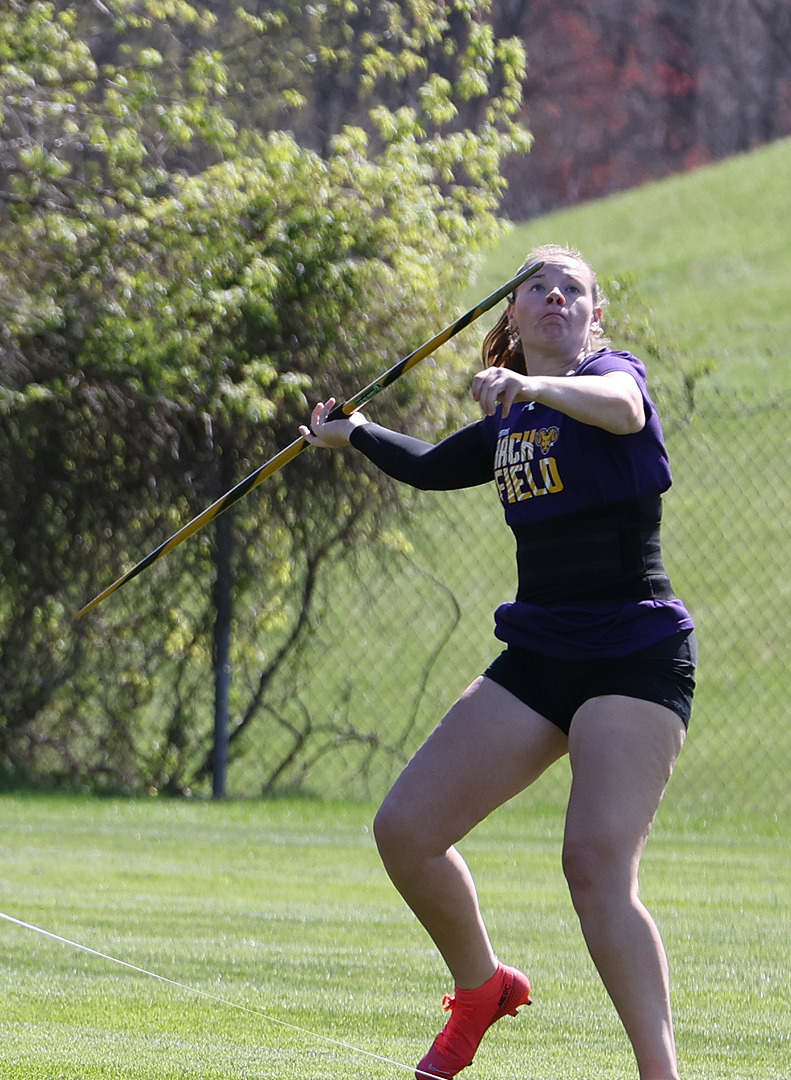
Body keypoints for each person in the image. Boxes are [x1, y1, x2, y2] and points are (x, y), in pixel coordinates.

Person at [301, 245, 696, 1080]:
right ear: (511, 318)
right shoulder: (512, 420)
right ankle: (480, 991)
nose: (555, 298)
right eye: (536, 290)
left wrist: (534, 386)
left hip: (634, 651)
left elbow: (623, 409)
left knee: (593, 866)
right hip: (542, 653)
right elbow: (439, 465)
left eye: (572, 291)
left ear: (595, 316)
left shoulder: (610, 377)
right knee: (405, 832)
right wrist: (357, 432)